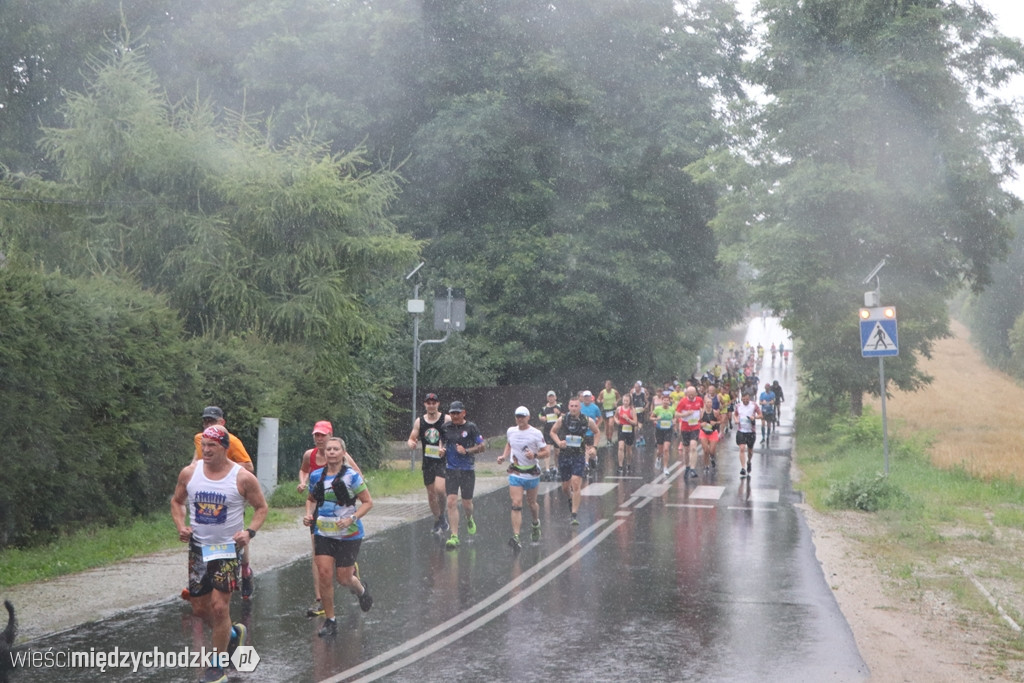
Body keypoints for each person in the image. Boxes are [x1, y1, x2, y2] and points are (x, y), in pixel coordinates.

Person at [171, 424, 268, 683]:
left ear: (225, 447)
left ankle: (217, 666)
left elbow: (261, 508)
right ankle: (233, 635)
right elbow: (177, 502)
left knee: (219, 606)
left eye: (212, 445)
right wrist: (181, 526)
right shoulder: (190, 473)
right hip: (198, 549)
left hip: (227, 550)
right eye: (203, 445)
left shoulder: (242, 477)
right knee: (201, 609)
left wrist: (249, 533)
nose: (206, 450)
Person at [303, 437, 374, 637]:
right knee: (325, 574)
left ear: (343, 453)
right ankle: (330, 620)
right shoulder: (317, 476)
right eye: (328, 450)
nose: (332, 452)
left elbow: (368, 502)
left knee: (343, 578)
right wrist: (309, 515)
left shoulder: (352, 477)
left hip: (348, 534)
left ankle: (361, 590)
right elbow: (311, 500)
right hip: (323, 532)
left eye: (336, 449)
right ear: (324, 454)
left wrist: (352, 518)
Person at [299, 420, 363, 618]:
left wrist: (345, 494)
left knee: (343, 577)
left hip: (344, 517)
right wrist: (303, 484)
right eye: (316, 435)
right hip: (320, 516)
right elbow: (305, 475)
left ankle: (351, 574)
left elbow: (358, 480)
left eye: (322, 435)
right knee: (320, 561)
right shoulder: (310, 456)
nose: (319, 439)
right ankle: (322, 602)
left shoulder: (344, 459)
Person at [191, 406, 256, 600]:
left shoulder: (232, 441)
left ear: (222, 423)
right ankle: (202, 581)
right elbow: (197, 460)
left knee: (234, 536)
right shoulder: (199, 438)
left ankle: (245, 571)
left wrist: (224, 469)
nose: (208, 425)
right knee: (203, 533)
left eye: (213, 421)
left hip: (230, 494)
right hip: (206, 493)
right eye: (205, 421)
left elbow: (249, 466)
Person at [496, 406, 550, 551]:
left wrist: (535, 455)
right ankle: (516, 536)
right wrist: (504, 456)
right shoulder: (511, 431)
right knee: (516, 503)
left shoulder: (536, 433)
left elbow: (547, 452)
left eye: (522, 416)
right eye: (517, 416)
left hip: (531, 473)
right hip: (516, 472)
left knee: (531, 503)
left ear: (528, 417)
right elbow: (509, 444)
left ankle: (535, 523)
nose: (520, 419)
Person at [440, 401, 486, 550]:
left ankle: (469, 518)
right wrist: (441, 450)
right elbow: (442, 442)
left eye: (457, 413)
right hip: (451, 469)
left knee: (467, 503)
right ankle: (454, 536)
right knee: (451, 502)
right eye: (452, 413)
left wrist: (467, 451)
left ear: (463, 413)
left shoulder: (471, 427)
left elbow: (482, 447)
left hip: (467, 469)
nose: (454, 416)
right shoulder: (446, 427)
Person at [549, 398, 599, 526]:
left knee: (576, 484)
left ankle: (574, 515)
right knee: (566, 487)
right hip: (565, 455)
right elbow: (552, 432)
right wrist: (559, 442)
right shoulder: (563, 419)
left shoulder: (586, 420)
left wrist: (594, 447)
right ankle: (570, 498)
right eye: (571, 406)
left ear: (580, 407)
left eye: (576, 406)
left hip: (579, 455)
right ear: (568, 406)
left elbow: (597, 432)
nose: (573, 408)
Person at [406, 393, 451, 535]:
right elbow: (411, 438)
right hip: (428, 461)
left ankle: (442, 514)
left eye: (434, 403)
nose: (431, 405)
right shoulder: (420, 421)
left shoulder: (446, 419)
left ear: (438, 404)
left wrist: (446, 448)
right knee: (431, 494)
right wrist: (411, 443)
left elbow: (453, 436)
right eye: (428, 403)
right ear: (425, 404)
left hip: (442, 460)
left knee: (440, 490)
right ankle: (438, 519)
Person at [674, 386, 703, 479]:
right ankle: (687, 466)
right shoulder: (683, 402)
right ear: (686, 394)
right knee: (686, 450)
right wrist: (685, 414)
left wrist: (701, 414)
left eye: (692, 394)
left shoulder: (699, 400)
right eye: (689, 394)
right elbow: (676, 414)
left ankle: (693, 469)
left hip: (695, 426)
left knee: (693, 447)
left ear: (695, 394)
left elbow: (702, 409)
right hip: (685, 427)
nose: (691, 396)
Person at [734, 393, 762, 478]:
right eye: (744, 399)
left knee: (750, 450)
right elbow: (735, 414)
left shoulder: (754, 405)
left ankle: (749, 461)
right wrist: (736, 420)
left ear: (749, 398)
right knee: (742, 448)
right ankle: (743, 468)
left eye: (747, 399)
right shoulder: (738, 406)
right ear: (741, 398)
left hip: (750, 431)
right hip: (741, 430)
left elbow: (761, 415)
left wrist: (755, 418)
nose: (745, 401)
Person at [537, 390, 562, 479]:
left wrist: (558, 413)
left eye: (552, 396)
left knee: (557, 452)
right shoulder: (544, 408)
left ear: (555, 397)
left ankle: (556, 467)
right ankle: (547, 470)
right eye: (549, 397)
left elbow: (565, 414)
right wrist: (542, 418)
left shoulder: (559, 406)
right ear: (547, 398)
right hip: (547, 431)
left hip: (557, 432)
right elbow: (539, 415)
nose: (551, 398)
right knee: (547, 450)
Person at [578, 390, 603, 471]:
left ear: (591, 397)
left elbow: (600, 418)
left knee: (591, 450)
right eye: (585, 397)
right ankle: (586, 464)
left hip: (591, 432)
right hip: (582, 432)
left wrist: (596, 427)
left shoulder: (595, 407)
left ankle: (594, 458)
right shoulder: (580, 406)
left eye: (588, 397)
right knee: (585, 448)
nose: (586, 398)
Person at [650, 393, 675, 472]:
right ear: (662, 401)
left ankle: (665, 467)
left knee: (666, 449)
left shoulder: (672, 409)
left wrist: (674, 422)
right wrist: (656, 419)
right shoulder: (658, 409)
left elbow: (675, 418)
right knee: (660, 451)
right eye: (664, 400)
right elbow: (650, 417)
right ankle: (658, 458)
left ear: (669, 401)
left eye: (667, 400)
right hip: (659, 430)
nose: (666, 402)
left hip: (668, 430)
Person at [615, 394, 639, 475]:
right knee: (621, 447)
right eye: (624, 400)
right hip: (621, 428)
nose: (625, 402)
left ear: (629, 401)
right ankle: (620, 466)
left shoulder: (632, 410)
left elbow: (635, 423)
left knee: (628, 449)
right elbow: (615, 417)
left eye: (627, 401)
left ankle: (628, 463)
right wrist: (617, 421)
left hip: (629, 429)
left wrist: (627, 419)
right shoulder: (619, 409)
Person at [698, 395, 721, 473]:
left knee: (711, 451)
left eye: (710, 402)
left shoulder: (715, 412)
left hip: (713, 432)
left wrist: (715, 422)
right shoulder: (701, 413)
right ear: (705, 403)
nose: (709, 404)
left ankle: (712, 458)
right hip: (704, 432)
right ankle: (706, 465)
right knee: (706, 450)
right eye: (708, 402)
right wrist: (701, 424)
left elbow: (720, 421)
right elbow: (697, 422)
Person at [597, 380, 620, 445]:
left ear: (611, 386)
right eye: (606, 385)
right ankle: (608, 440)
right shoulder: (602, 392)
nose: (607, 386)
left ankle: (610, 437)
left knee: (611, 424)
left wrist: (616, 402)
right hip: (605, 410)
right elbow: (598, 400)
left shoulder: (614, 392)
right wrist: (601, 401)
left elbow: (619, 398)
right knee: (606, 426)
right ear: (605, 385)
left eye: (609, 385)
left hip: (612, 409)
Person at [629, 381, 648, 447]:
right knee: (635, 428)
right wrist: (632, 408)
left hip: (641, 413)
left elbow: (647, 402)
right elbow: (631, 403)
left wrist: (644, 408)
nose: (636, 388)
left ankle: (642, 438)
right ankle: (638, 440)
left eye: (637, 387)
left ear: (640, 387)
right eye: (635, 387)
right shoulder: (633, 395)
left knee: (640, 427)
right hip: (635, 413)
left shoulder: (642, 394)